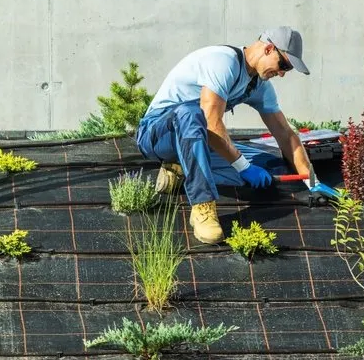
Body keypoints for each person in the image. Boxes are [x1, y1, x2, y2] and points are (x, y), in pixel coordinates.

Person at [135, 26, 319, 244]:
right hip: (157, 134)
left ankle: (181, 167)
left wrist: (313, 181)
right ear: (269, 48)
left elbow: (285, 134)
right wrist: (243, 166)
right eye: (284, 65)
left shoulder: (258, 85)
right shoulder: (223, 62)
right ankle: (202, 206)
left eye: (286, 70)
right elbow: (212, 123)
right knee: (191, 114)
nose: (281, 74)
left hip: (196, 139)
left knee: (273, 167)